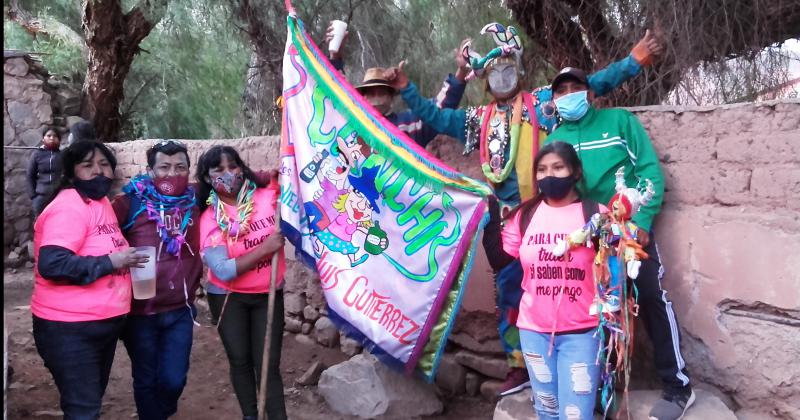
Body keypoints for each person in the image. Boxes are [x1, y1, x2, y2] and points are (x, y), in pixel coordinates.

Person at [384, 27, 663, 396]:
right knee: (511, 291)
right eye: (494, 71)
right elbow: (434, 118)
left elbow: (589, 84)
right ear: (485, 80)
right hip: (509, 222)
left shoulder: (544, 104)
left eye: (508, 68)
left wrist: (632, 62)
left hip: (553, 212)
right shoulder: (476, 119)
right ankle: (522, 366)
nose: (502, 76)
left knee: (573, 287)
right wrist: (406, 88)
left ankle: (594, 373)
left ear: (519, 71)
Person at [545, 67, 694, 420]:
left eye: (575, 87)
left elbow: (649, 171)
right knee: (601, 312)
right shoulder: (555, 140)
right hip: (590, 235)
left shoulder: (620, 122)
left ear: (591, 93)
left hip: (629, 231)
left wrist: (642, 221)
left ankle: (677, 387)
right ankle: (605, 393)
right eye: (561, 90)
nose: (569, 94)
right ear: (553, 100)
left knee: (651, 296)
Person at [31, 140, 149, 419]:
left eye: (104, 164)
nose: (99, 171)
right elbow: (53, 263)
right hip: (69, 329)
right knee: (84, 410)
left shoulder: (100, 203)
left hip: (100, 325)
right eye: (88, 166)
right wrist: (112, 262)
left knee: (88, 402)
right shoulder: (69, 207)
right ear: (71, 174)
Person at [489, 141, 606, 419]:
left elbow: (614, 269)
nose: (549, 175)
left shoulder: (596, 215)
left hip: (582, 332)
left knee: (576, 413)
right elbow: (500, 261)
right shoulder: (526, 216)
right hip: (533, 332)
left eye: (557, 167)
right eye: (541, 170)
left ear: (575, 172)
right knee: (546, 410)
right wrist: (490, 216)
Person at [111, 140, 203, 420]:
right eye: (164, 167)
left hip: (180, 310)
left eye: (180, 167)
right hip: (140, 312)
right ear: (150, 170)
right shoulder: (129, 202)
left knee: (174, 379)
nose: (171, 174)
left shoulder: (196, 198)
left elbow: (235, 180)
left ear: (189, 171)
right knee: (146, 378)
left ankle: (159, 412)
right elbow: (100, 233)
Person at [196, 145, 287, 420]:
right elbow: (223, 269)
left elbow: (295, 182)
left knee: (268, 365)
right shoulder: (210, 217)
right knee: (240, 360)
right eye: (219, 170)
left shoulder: (268, 194)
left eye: (233, 166)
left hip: (268, 292)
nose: (228, 174)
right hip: (227, 298)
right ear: (207, 178)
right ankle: (251, 415)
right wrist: (265, 249)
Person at [324, 20, 469, 147]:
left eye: (382, 92)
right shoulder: (353, 124)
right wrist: (335, 56)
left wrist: (462, 71)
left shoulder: (409, 125)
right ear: (364, 98)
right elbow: (333, 97)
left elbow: (438, 110)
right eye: (370, 93)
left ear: (391, 97)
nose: (376, 98)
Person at [27, 126, 63, 218]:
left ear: (59, 140)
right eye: (49, 135)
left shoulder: (62, 155)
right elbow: (30, 176)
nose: (52, 138)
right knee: (39, 225)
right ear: (43, 139)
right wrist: (33, 196)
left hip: (58, 198)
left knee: (57, 224)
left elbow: (69, 174)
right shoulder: (37, 154)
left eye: (55, 136)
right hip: (40, 198)